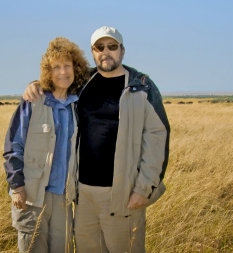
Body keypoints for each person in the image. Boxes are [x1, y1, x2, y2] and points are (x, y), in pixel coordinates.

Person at [23, 26, 170, 253]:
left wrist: (144, 189)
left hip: (122, 194)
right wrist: (35, 84)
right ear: (92, 52)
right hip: (83, 196)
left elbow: (158, 138)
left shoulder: (141, 87)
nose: (106, 52)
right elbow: (56, 82)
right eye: (99, 47)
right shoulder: (83, 83)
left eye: (112, 46)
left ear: (122, 51)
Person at [3, 37, 90, 253]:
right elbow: (14, 146)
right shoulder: (33, 100)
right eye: (56, 67)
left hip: (63, 198)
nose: (63, 72)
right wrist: (17, 187)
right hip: (32, 196)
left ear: (75, 68)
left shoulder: (77, 105)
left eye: (67, 66)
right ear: (47, 72)